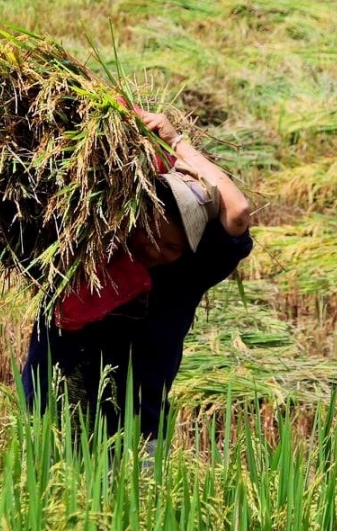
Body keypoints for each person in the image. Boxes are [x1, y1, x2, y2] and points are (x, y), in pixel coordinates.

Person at [22, 108, 253, 442]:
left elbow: (239, 212)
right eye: (154, 236)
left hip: (135, 437)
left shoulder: (183, 276)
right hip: (49, 430)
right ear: (137, 216)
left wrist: (175, 141)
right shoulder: (86, 249)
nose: (157, 251)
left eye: (172, 246)